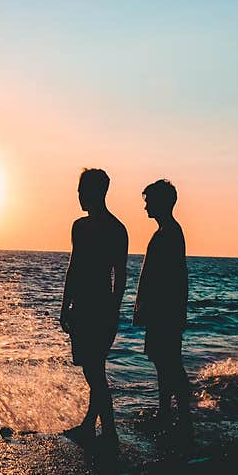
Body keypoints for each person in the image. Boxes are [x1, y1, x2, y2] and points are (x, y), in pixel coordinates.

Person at [60, 168, 129, 440]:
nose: (79, 197)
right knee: (93, 368)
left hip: (99, 307)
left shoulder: (115, 229)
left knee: (94, 371)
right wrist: (65, 306)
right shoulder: (80, 226)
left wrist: (113, 310)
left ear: (95, 192)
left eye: (81, 192)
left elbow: (120, 275)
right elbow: (73, 267)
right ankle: (91, 424)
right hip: (83, 307)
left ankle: (108, 430)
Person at [132, 179, 190, 429]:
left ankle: (180, 415)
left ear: (161, 202)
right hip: (163, 311)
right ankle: (166, 411)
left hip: (165, 312)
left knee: (169, 363)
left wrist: (154, 308)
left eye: (148, 201)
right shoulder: (167, 232)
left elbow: (172, 277)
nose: (145, 206)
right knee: (163, 362)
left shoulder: (170, 233)